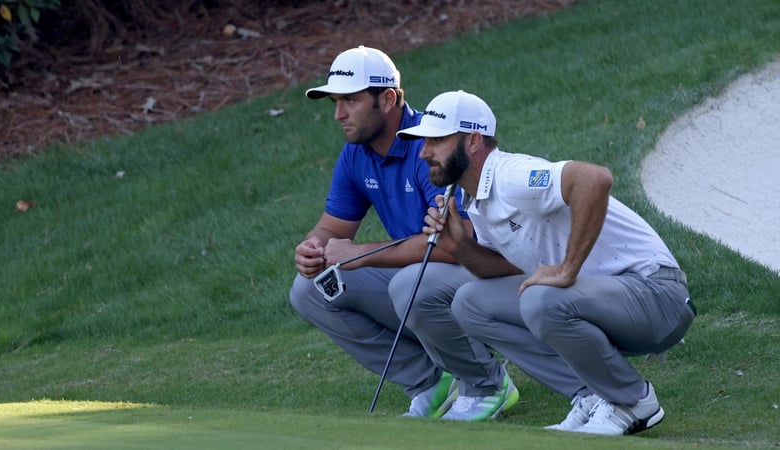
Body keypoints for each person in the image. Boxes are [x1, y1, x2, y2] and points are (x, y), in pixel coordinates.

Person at [398, 90, 696, 435]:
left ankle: (632, 401)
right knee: (469, 302)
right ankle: (592, 396)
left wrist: (567, 268)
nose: (424, 152)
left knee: (541, 298)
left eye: (436, 140)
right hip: (610, 300)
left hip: (658, 296)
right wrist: (461, 247)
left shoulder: (511, 175)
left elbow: (594, 179)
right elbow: (507, 270)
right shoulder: (477, 199)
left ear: (473, 140)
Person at [290, 49, 518, 420]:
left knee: (409, 282)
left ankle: (486, 385)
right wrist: (312, 248)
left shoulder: (433, 143)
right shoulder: (355, 154)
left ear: (388, 98)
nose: (339, 114)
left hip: (485, 276)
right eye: (335, 102)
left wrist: (360, 253)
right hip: (422, 281)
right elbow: (332, 227)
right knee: (310, 287)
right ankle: (430, 382)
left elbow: (456, 245)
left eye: (350, 100)